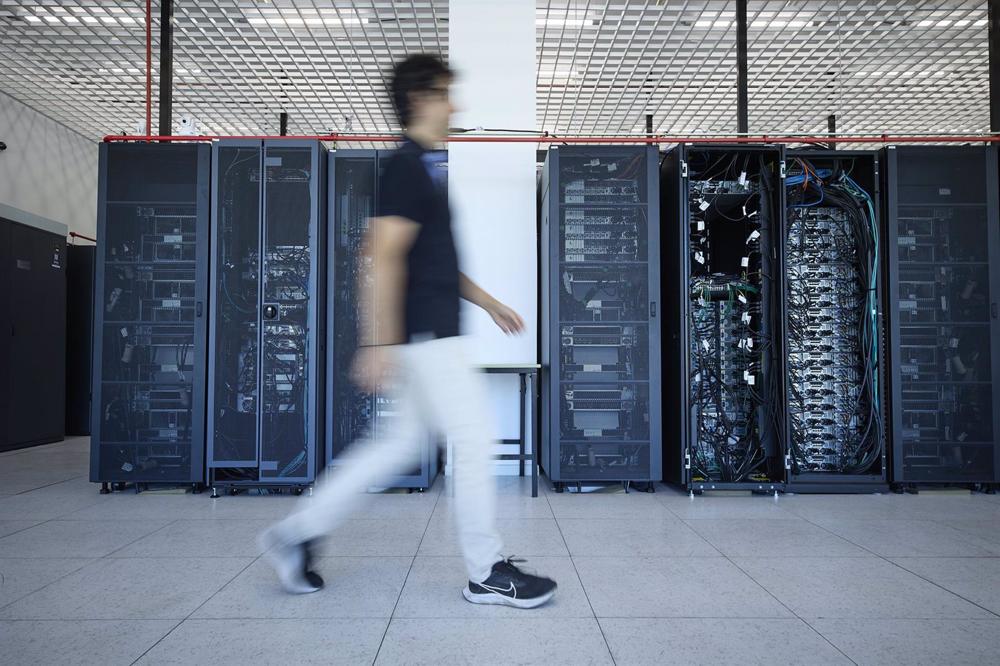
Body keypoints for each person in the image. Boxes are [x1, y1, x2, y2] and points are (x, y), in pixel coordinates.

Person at [259, 54, 557, 609]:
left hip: (427, 334)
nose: (455, 105)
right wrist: (376, 342)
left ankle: (296, 535)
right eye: (447, 93)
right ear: (421, 99)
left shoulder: (422, 169)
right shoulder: (404, 167)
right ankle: (486, 571)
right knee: (473, 441)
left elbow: (432, 263)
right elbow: (381, 254)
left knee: (394, 444)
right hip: (427, 339)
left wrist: (490, 302)